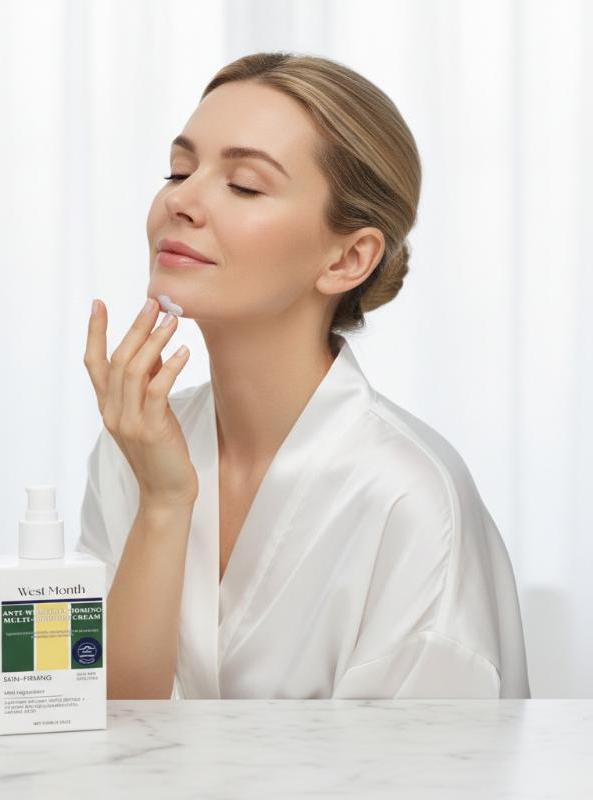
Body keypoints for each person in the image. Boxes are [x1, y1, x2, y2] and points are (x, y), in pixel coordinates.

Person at [77, 52, 531, 699]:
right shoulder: (134, 450)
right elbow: (99, 723)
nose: (181, 199)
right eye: (179, 170)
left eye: (244, 185)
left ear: (348, 258)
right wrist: (163, 504)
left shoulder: (408, 501)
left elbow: (434, 757)